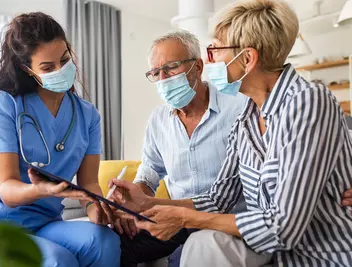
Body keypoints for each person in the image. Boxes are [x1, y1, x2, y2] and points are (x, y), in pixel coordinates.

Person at [111, 0, 352, 266]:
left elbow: (283, 228)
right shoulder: (248, 116)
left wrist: (185, 219)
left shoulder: (308, 101)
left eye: (215, 50)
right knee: (196, 244)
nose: (209, 59)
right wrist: (145, 203)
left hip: (322, 255)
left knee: (202, 244)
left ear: (247, 59)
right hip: (266, 248)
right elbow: (219, 198)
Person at [0, 12, 120, 267]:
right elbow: (7, 190)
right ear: (27, 69)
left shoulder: (87, 115)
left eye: (64, 60)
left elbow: (89, 185)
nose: (60, 70)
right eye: (48, 67)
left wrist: (97, 208)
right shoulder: (3, 105)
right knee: (56, 261)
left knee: (103, 241)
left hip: (43, 222)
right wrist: (41, 190)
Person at [116, 30, 247, 267]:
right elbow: (150, 173)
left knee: (182, 259)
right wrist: (133, 200)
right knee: (117, 243)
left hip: (225, 221)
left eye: (171, 68)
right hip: (177, 217)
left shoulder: (237, 108)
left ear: (197, 66)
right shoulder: (158, 120)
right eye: (156, 73)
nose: (163, 78)